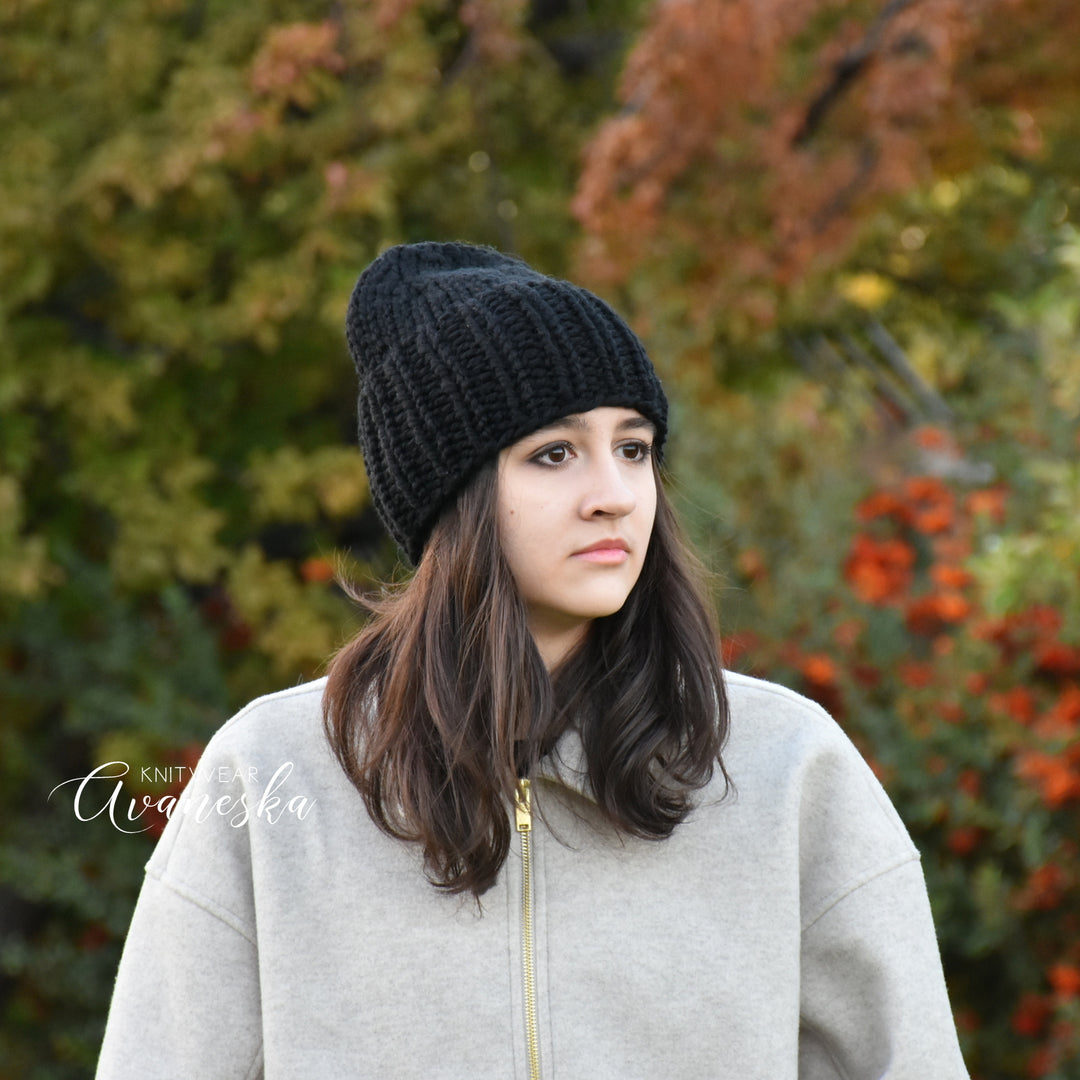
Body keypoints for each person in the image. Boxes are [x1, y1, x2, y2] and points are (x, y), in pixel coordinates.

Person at [96, 242, 971, 1079]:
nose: (614, 495)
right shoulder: (271, 774)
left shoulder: (786, 768)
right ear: (454, 500)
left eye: (633, 448)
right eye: (554, 454)